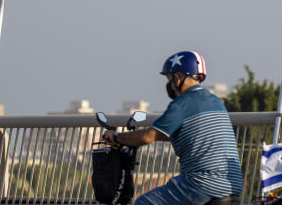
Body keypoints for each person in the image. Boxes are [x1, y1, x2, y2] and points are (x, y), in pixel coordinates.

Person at [102, 51, 244, 205]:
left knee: (144, 202)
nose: (169, 84)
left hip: (201, 184)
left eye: (169, 78)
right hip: (233, 184)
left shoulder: (181, 104)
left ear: (177, 78)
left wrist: (116, 138)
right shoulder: (216, 102)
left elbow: (148, 136)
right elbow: (172, 134)